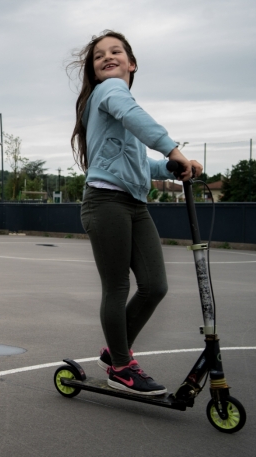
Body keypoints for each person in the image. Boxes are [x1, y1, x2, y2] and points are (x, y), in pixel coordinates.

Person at [68, 30, 203, 395]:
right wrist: (173, 148)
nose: (107, 58)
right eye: (99, 56)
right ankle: (122, 365)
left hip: (133, 203)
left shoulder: (118, 101)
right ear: (95, 71)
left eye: (116, 52)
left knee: (155, 286)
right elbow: (135, 117)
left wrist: (174, 165)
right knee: (117, 286)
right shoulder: (111, 92)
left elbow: (140, 162)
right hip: (105, 201)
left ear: (132, 63)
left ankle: (115, 351)